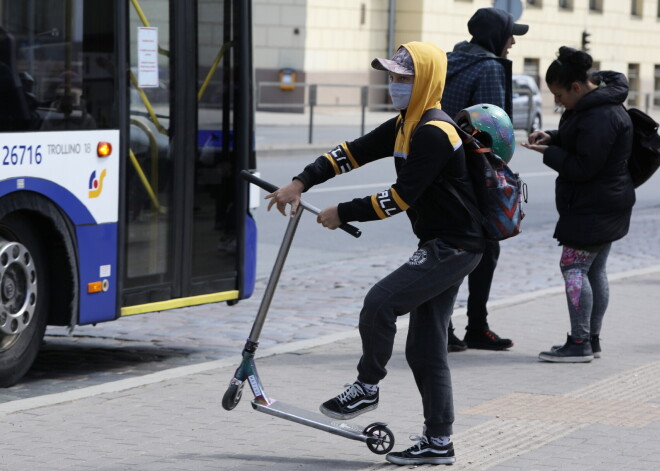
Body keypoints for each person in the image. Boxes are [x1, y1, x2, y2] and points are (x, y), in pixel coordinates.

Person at [266, 42, 485, 466]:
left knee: (380, 303)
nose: (394, 85)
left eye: (405, 78)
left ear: (427, 82)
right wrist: (301, 181)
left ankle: (367, 386)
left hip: (454, 246)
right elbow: (351, 153)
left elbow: (400, 198)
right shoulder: (408, 123)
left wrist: (341, 212)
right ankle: (439, 443)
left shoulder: (435, 133)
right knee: (426, 348)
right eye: (392, 76)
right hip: (443, 244)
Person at [522, 46, 635, 362]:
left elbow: (583, 166)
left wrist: (549, 153)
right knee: (593, 270)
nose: (556, 102)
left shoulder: (600, 114)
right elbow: (582, 140)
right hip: (606, 203)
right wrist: (554, 137)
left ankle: (579, 342)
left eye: (558, 95)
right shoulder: (595, 106)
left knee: (572, 267)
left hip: (594, 207)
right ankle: (591, 339)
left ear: (576, 86)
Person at [441, 7, 528, 352]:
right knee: (483, 248)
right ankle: (474, 325)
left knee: (442, 244)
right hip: (473, 174)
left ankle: (443, 326)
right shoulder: (490, 68)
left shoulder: (449, 61)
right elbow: (493, 131)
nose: (512, 44)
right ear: (496, 36)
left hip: (439, 163)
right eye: (510, 36)